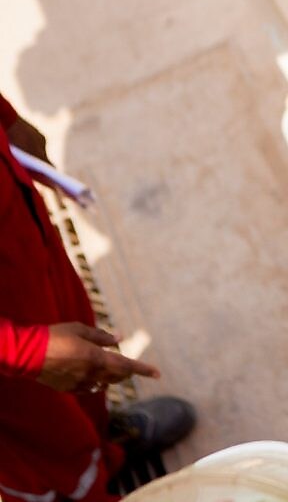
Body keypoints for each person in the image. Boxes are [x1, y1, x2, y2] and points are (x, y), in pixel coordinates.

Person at [0, 94, 196, 502]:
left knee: (82, 371)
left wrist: (6, 118)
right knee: (48, 456)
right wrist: (26, 352)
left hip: (22, 248)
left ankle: (104, 451)